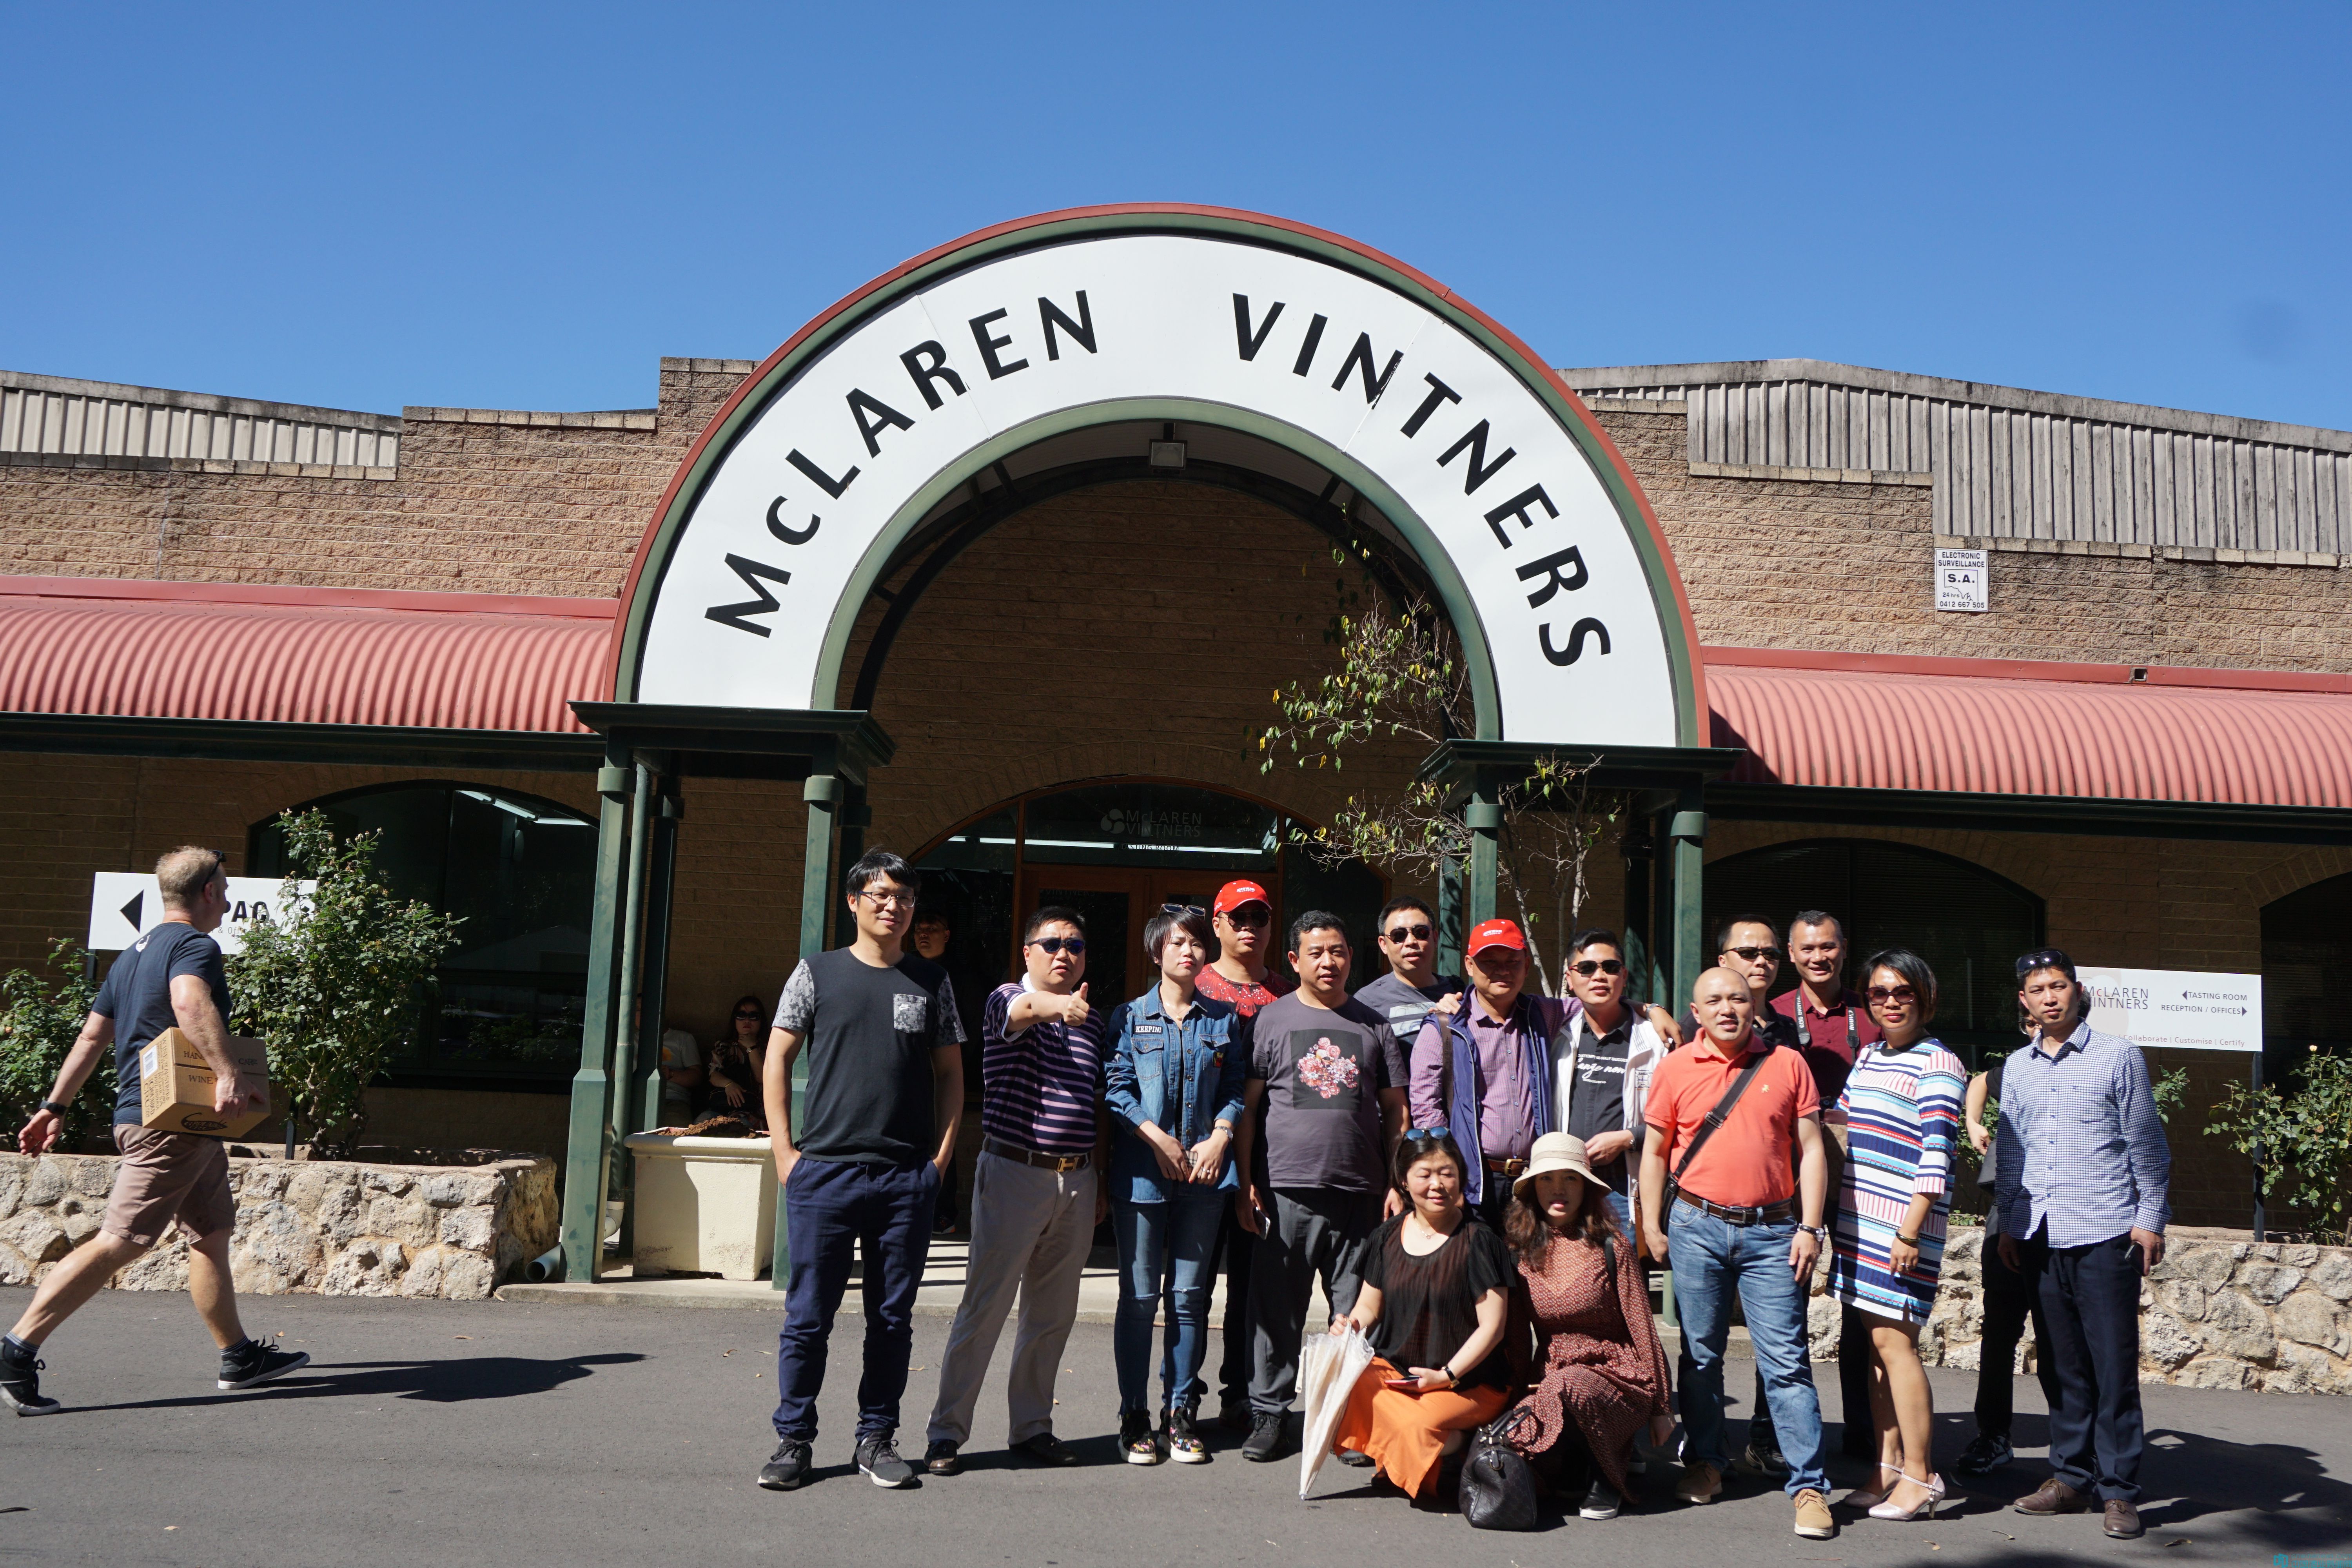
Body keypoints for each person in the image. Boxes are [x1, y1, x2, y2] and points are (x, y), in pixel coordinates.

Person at [3, 847, 309, 1417]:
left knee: (211, 1232)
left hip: (167, 1121)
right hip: (170, 1123)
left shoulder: (131, 956)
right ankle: (17, 1348)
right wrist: (228, 1074)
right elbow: (189, 1003)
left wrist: (53, 1106)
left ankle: (238, 1356)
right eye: (226, 890)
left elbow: (91, 1039)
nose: (229, 902)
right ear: (208, 892)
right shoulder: (195, 946)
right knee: (121, 1239)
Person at [758, 849, 965, 1494]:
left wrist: (938, 1163)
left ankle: (876, 1438)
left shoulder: (931, 981)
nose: (892, 906)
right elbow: (777, 1058)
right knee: (807, 1318)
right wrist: (785, 1154)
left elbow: (952, 1074)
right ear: (853, 902)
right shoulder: (816, 973)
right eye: (879, 894)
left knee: (892, 1320)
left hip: (904, 1179)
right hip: (824, 1174)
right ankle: (794, 1440)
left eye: (903, 897)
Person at [1640, 966, 1836, 1541]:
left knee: (1786, 1362)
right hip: (1695, 1225)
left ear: (1755, 1007)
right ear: (1696, 1011)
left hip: (1774, 1232)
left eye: (1738, 999)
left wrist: (1811, 1227)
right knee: (1700, 1356)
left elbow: (1812, 1150)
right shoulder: (1676, 1067)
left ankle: (1809, 1486)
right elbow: (1655, 1151)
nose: (1728, 1008)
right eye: (1715, 1001)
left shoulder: (1787, 1064)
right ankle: (1706, 1461)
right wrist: (1651, 1223)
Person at [1994, 947, 2171, 1541]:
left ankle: (2119, 1490)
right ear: (2024, 1000)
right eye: (2037, 989)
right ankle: (2071, 1477)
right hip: (2040, 1232)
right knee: (2061, 1363)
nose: (2050, 997)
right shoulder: (2017, 1067)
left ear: (2077, 990)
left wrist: (2151, 1218)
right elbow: (2012, 1149)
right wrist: (2012, 1222)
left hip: (2105, 1230)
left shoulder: (2117, 1055)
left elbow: (2146, 1142)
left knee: (2113, 1365)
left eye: (2059, 986)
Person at [924, 906, 1106, 1475]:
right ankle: (946, 1433)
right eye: (1051, 943)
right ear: (1028, 953)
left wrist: (1096, 1177)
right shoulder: (1007, 998)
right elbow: (1025, 1011)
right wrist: (1059, 1006)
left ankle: (1031, 1428)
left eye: (1075, 945)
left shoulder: (1092, 1023)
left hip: (1077, 1179)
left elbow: (1093, 1105)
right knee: (985, 1309)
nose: (1063, 953)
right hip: (1014, 1174)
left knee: (1051, 1316)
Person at [1232, 910, 1405, 1463]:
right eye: (1316, 952)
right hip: (1285, 1189)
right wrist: (1246, 1182)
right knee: (1275, 1310)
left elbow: (1397, 1112)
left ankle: (1348, 1420)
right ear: (1294, 959)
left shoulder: (1374, 1025)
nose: (1328, 961)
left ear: (1351, 956)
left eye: (1338, 951)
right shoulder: (1270, 1020)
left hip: (1361, 1191)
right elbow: (1248, 1109)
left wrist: (1397, 1182)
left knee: (1355, 1313)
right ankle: (1270, 1413)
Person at [1824, 949, 1966, 1521]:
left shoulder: (1940, 1062)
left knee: (1896, 1347)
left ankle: (1921, 1475)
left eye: (1902, 991)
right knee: (1878, 1352)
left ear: (1924, 997)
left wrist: (1909, 1232)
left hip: (1902, 1228)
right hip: (1859, 1223)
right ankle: (1886, 1467)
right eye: (1878, 993)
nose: (1890, 1002)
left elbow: (1939, 1153)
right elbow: (1840, 1121)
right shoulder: (1869, 1055)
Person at [1102, 904, 1246, 1465]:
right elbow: (1116, 1088)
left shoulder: (1224, 1019)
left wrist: (1220, 1136)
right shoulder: (1129, 1016)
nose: (1189, 952)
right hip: (1141, 1176)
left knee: (1189, 1299)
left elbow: (1235, 1088)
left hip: (1204, 1179)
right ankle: (1135, 1416)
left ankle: (1181, 1414)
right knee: (1140, 1299)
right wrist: (1157, 1139)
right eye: (1177, 943)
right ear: (1157, 951)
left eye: (1196, 943)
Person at [1325, 1130, 1514, 1504]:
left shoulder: (1480, 1241)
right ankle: (1410, 1452)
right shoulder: (1386, 1237)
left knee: (1417, 1424)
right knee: (1341, 1383)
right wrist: (1351, 1325)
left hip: (1467, 1384)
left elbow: (1493, 1328)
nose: (1437, 1185)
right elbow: (1369, 1307)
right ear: (1404, 1181)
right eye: (1424, 1174)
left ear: (1461, 1177)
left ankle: (1457, 1443)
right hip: (1399, 1376)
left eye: (1447, 1173)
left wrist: (1445, 1376)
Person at [1502, 1132, 1674, 1521]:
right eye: (1547, 1179)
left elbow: (1642, 1327)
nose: (1558, 1189)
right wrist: (1513, 1398)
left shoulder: (1612, 1246)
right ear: (1532, 1188)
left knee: (1572, 1384)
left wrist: (1662, 1407)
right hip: (1550, 1378)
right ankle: (1582, 1458)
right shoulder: (1518, 1253)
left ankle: (1606, 1480)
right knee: (1521, 1441)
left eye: (1570, 1179)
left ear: (1586, 1187)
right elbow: (1517, 1338)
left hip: (1618, 1376)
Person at [1764, 910, 1882, 1468]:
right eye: (1807, 948)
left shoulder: (1873, 1011)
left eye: (1828, 947)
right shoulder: (1771, 1013)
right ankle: (1784, 1434)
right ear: (1791, 954)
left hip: (1865, 1173)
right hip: (1794, 1173)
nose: (1819, 957)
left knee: (1862, 1303)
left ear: (1844, 948)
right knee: (1784, 1303)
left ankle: (1865, 1429)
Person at [1196, 878, 1294, 1432]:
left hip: (1268, 1161)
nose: (1250, 927)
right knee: (1192, 1288)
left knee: (1252, 1290)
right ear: (1218, 924)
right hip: (1202, 1161)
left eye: (1259, 917)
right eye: (1239, 918)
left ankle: (1240, 1394)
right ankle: (1182, 1397)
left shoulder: (1288, 994)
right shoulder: (1194, 986)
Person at [1409, 919, 1566, 1232]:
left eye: (1512, 961)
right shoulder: (1445, 1027)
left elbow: (1597, 1005)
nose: (1502, 971)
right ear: (1470, 965)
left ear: (1527, 965)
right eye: (1490, 962)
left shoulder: (1543, 1014)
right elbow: (1426, 1109)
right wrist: (1448, 1174)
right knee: (1479, 1263)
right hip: (1474, 1182)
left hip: (1535, 1180)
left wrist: (1648, 1009)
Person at [1953, 1051, 2061, 1479]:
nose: (2038, 1029)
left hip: (2062, 1216)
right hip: (2010, 1211)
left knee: (2059, 1338)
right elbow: (1981, 1080)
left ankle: (2074, 1448)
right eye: (2029, 1023)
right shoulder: (2019, 1068)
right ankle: (1993, 1435)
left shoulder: (2090, 1065)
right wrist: (1973, 1122)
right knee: (1999, 1332)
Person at [1550, 929, 1671, 1236]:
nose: (1599, 976)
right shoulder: (1555, 1034)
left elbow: (1680, 1118)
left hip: (1625, 1186)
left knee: (1626, 1268)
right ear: (1569, 978)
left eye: (1611, 967)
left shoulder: (1657, 1041)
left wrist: (1628, 1138)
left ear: (1624, 976)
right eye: (1587, 968)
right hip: (1566, 1183)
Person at [1354, 896, 1462, 1060]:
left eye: (1421, 933)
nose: (1411, 942)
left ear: (1435, 938)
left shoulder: (1460, 993)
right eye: (1399, 935)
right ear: (1384, 944)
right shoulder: (1367, 1002)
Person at [910, 909, 963, 1234]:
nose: (923, 934)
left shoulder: (957, 977)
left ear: (947, 935)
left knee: (943, 1141)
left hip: (946, 1072)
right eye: (919, 928)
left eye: (932, 928)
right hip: (911, 1073)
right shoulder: (905, 969)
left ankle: (942, 1213)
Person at [699, 995, 766, 1130]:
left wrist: (751, 1048)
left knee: (739, 1129)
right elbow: (713, 1074)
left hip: (755, 1110)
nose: (747, 1020)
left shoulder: (769, 1048)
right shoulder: (724, 1046)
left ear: (761, 1021)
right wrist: (729, 1084)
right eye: (741, 1015)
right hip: (722, 1107)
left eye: (754, 1016)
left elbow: (762, 1078)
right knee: (700, 1124)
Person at [657, 1016, 704, 1128]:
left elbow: (697, 1078)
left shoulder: (682, 1038)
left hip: (673, 1101)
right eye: (638, 1010)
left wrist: (671, 1074)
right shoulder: (628, 1040)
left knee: (678, 1134)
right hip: (636, 1100)